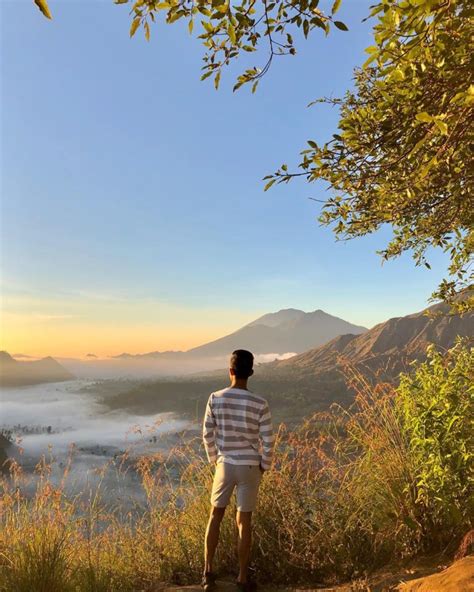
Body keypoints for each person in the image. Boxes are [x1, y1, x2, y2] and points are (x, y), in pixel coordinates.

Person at [201, 349, 274, 591]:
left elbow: (207, 434)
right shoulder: (260, 403)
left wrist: (215, 459)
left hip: (225, 464)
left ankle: (208, 573)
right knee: (244, 522)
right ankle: (242, 578)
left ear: (230, 371)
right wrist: (265, 464)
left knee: (215, 516)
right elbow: (268, 440)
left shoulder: (215, 398)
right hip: (250, 466)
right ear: (250, 373)